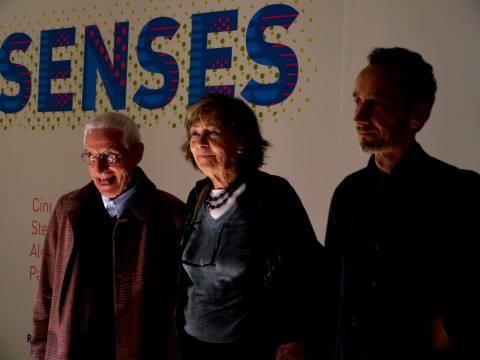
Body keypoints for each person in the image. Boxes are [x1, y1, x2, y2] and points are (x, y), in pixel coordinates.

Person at [323, 47, 480, 360]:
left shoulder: (461, 190)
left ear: (417, 114)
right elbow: (331, 288)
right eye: (357, 100)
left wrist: (450, 328)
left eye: (376, 103)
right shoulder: (349, 192)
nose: (358, 117)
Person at [177, 93, 324, 360]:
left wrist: (293, 336)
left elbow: (306, 269)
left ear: (241, 141)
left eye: (212, 132)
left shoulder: (271, 194)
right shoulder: (197, 195)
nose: (200, 142)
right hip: (193, 347)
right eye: (195, 133)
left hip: (252, 348)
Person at [31, 112, 185, 360]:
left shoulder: (172, 215)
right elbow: (46, 293)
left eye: (110, 156)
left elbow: (185, 308)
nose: (99, 168)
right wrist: (39, 354)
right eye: (91, 156)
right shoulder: (67, 210)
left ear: (137, 153)